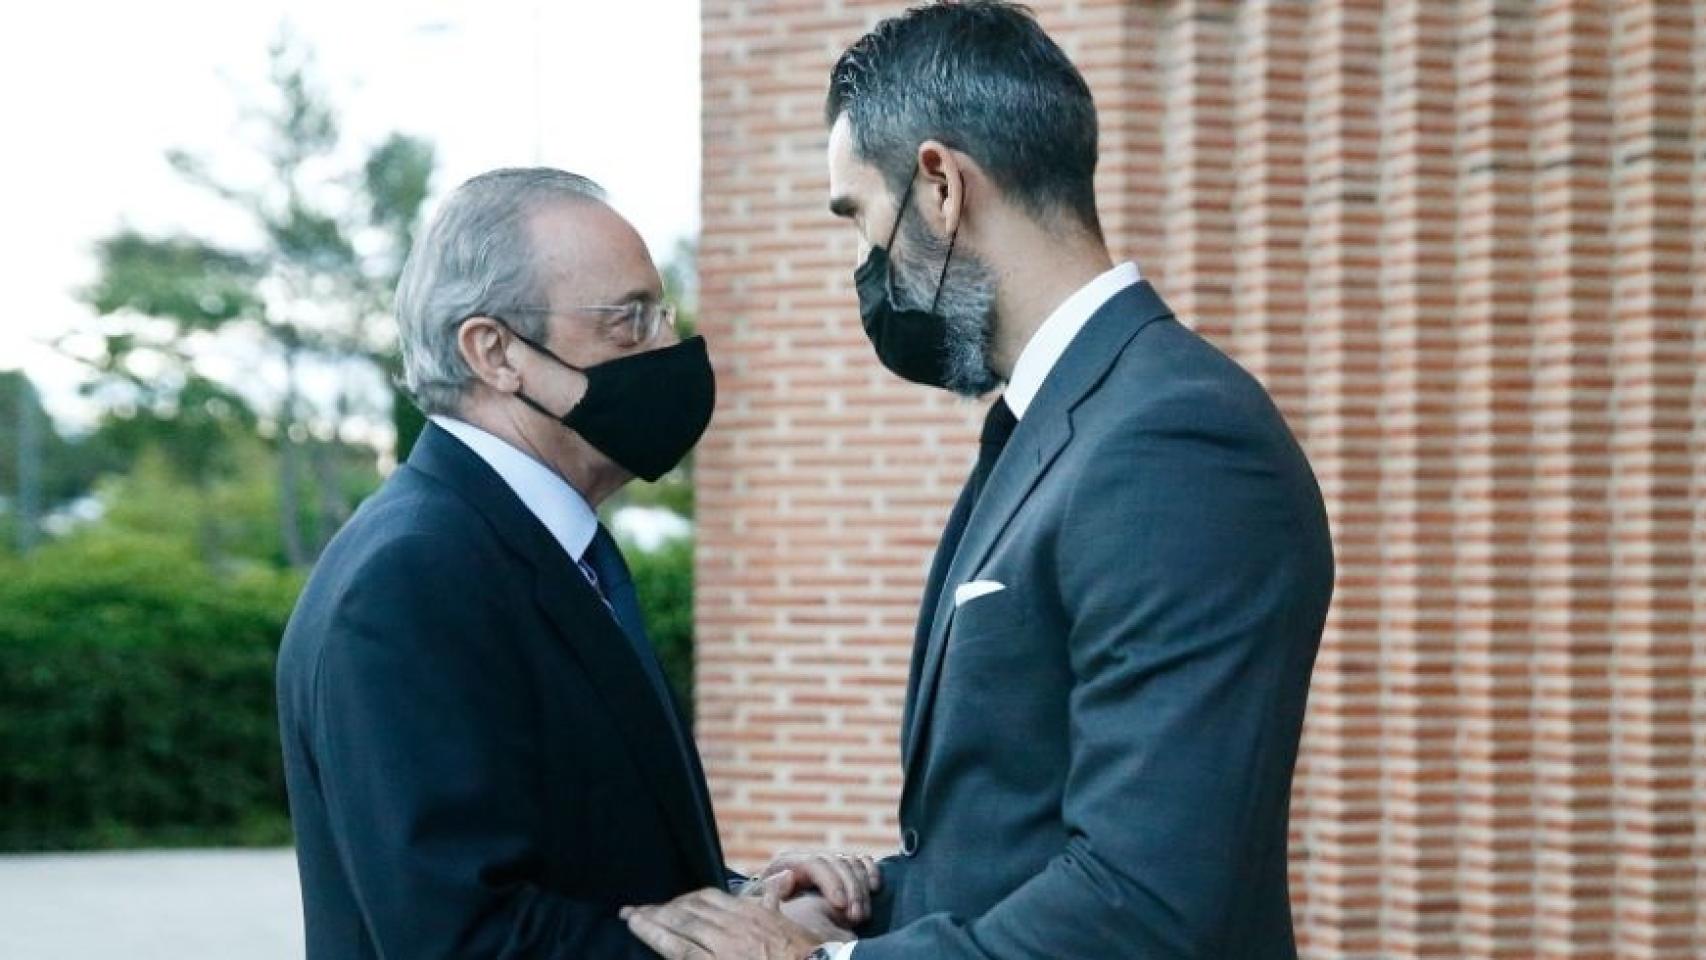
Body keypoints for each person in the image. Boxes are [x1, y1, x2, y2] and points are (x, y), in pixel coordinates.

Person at [626, 4, 1335, 959]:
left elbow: (1147, 902)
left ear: (941, 186)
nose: (864, 267)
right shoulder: (1057, 419)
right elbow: (1017, 841)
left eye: (860, 219)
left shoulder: (1175, 441)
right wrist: (865, 900)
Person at [276, 168, 874, 959]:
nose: (668, 348)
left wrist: (753, 902)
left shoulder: (545, 545)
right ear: (495, 352)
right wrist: (741, 950)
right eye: (630, 320)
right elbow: (458, 938)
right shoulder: (411, 579)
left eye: (662, 314)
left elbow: (594, 870)